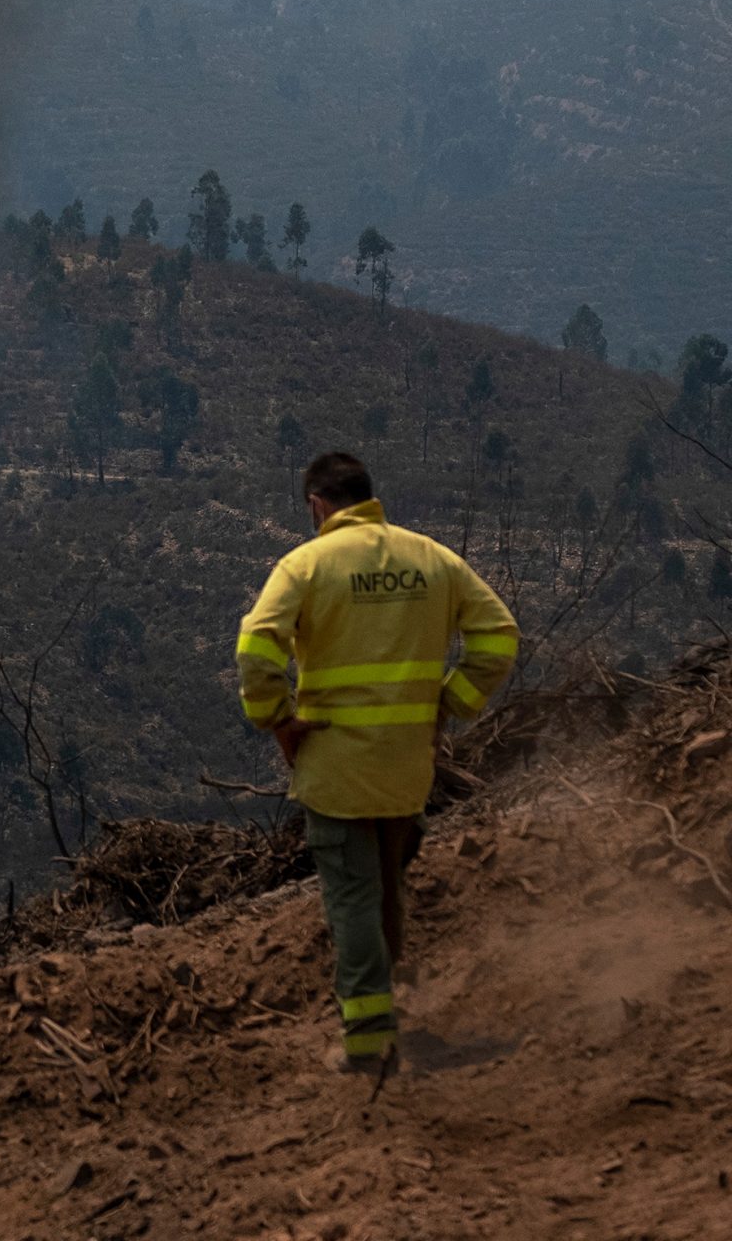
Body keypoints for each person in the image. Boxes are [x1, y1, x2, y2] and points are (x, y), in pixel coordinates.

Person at [235, 453, 518, 1074]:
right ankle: (387, 1011)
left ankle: (367, 1045)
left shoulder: (305, 565)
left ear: (317, 506)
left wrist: (277, 719)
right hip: (407, 765)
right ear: (369, 497)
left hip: (337, 767)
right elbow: (498, 635)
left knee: (353, 898)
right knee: (387, 886)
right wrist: (450, 704)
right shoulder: (432, 558)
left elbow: (256, 651)